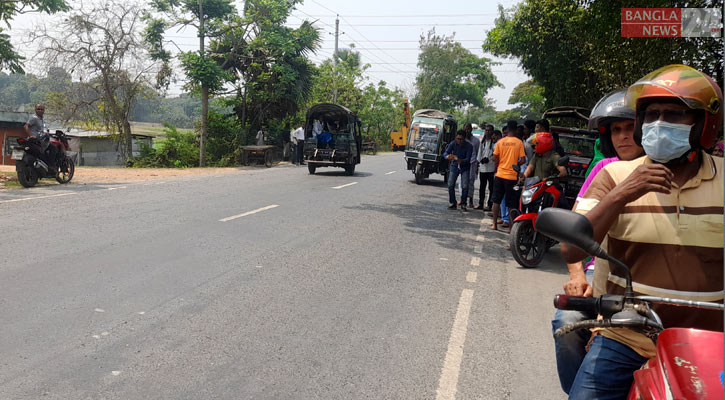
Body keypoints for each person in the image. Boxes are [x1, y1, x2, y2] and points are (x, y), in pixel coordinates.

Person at [563, 65, 724, 399]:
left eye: (674, 114)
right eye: (651, 115)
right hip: (627, 336)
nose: (659, 123)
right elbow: (571, 251)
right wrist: (623, 193)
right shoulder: (614, 176)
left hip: (710, 343)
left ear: (703, 124)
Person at [550, 88, 644, 395]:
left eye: (630, 128)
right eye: (615, 130)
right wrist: (577, 275)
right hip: (602, 274)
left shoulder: (674, 172)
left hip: (652, 282)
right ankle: (579, 385)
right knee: (566, 321)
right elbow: (575, 231)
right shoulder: (605, 171)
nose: (623, 137)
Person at [491, 121, 525, 230]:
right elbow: (523, 160)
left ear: (507, 130)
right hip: (512, 176)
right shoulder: (519, 142)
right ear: (515, 130)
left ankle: (494, 224)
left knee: (496, 201)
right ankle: (511, 227)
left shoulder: (500, 142)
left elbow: (494, 158)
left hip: (500, 174)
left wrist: (501, 161)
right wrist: (516, 164)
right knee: (511, 204)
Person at [442, 130, 473, 211]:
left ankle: (463, 203)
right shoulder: (453, 143)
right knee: (450, 184)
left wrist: (460, 160)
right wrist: (447, 156)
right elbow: (445, 153)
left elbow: (468, 159)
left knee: (465, 186)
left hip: (465, 167)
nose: (459, 141)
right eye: (458, 139)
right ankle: (452, 202)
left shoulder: (469, 146)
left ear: (464, 139)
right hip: (454, 166)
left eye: (461, 139)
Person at [475, 124, 495, 210]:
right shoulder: (482, 142)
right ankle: (480, 203)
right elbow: (479, 154)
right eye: (486, 130)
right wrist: (478, 163)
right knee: (482, 187)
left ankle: (489, 204)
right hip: (483, 168)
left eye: (489, 130)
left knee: (491, 187)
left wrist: (489, 159)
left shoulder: (494, 142)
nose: (487, 132)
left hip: (491, 168)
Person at [465, 123, 480, 208]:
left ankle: (470, 200)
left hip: (472, 163)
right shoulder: (463, 140)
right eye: (465, 129)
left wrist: (477, 165)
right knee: (463, 182)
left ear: (471, 129)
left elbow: (477, 153)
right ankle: (463, 199)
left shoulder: (476, 141)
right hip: (463, 162)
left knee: (471, 181)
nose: (467, 130)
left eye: (468, 129)